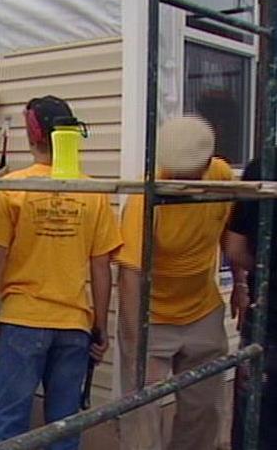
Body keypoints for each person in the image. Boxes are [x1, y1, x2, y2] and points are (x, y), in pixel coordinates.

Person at [0, 96, 121, 450]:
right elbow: (101, 266)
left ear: (32, 134)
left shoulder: (14, 187)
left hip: (24, 321)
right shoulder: (91, 191)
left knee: (8, 426)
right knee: (65, 427)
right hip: (74, 325)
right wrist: (100, 326)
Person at [116, 116, 232, 450]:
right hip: (153, 319)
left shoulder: (221, 176)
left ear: (207, 164)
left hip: (203, 310)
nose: (179, 179)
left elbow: (226, 228)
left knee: (204, 409)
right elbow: (129, 275)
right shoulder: (145, 198)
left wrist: (239, 283)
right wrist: (136, 342)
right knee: (142, 414)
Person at [226, 158, 277, 450]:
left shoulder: (262, 168)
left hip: (267, 321)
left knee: (254, 430)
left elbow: (234, 248)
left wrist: (265, 271)